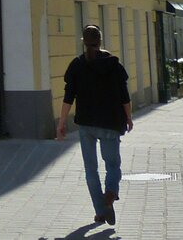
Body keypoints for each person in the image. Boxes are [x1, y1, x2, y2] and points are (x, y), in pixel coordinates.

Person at [56, 25, 133, 226]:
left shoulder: (77, 65)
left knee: (91, 169)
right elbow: (124, 96)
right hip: (110, 123)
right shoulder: (114, 64)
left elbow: (68, 97)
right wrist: (129, 117)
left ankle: (100, 212)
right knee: (113, 165)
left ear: (83, 41)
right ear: (101, 40)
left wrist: (62, 122)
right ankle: (110, 196)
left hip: (86, 124)